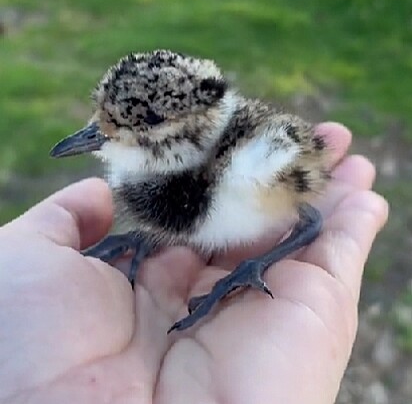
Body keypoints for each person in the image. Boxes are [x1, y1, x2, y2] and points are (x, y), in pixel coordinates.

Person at [0, 123, 388, 404]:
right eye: (100, 125)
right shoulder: (155, 173)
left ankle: (245, 263)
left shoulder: (247, 165)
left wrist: (252, 265)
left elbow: (308, 211)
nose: (91, 137)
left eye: (119, 130)